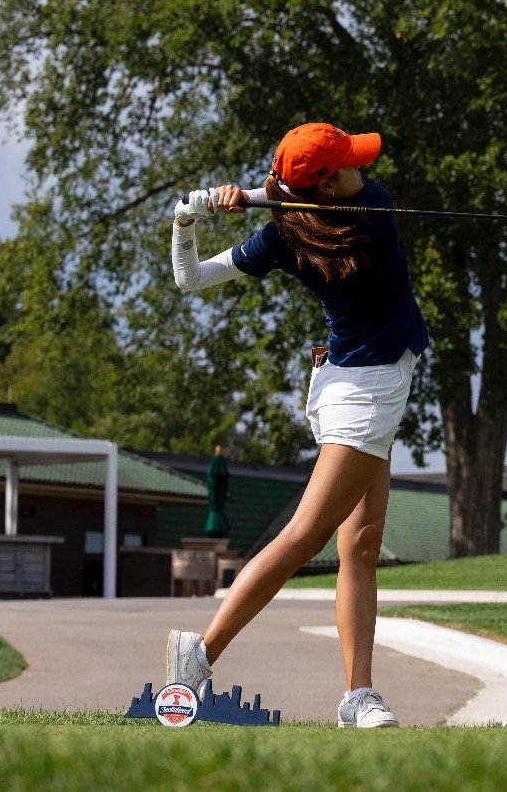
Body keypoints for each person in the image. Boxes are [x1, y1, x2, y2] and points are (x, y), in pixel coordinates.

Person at [162, 122, 430, 729]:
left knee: (360, 544)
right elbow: (288, 204)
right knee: (305, 535)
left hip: (348, 381)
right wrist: (253, 197)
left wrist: (190, 219)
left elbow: (189, 276)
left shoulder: (283, 234)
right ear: (328, 187)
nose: (364, 168)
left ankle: (358, 696)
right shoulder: (375, 210)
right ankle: (199, 655)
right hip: (366, 396)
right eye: (350, 162)